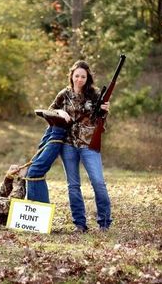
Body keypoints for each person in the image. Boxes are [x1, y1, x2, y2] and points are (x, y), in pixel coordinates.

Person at [49, 60, 112, 233]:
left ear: (87, 78)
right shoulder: (64, 94)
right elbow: (49, 112)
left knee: (98, 183)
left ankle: (104, 222)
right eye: (76, 76)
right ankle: (79, 224)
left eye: (83, 76)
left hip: (89, 144)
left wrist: (106, 110)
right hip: (68, 144)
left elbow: (101, 119)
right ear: (71, 76)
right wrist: (59, 112)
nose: (79, 79)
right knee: (73, 185)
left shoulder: (96, 95)